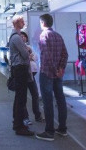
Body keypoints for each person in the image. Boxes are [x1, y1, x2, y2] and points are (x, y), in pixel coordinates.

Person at [35, 13, 68, 142]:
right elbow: (65, 54)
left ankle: (49, 131)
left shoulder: (44, 35)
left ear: (43, 23)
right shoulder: (58, 36)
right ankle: (62, 128)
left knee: (47, 102)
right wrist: (61, 69)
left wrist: (55, 70)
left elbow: (47, 56)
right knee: (60, 99)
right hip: (57, 74)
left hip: (47, 73)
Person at [8, 15, 35, 136]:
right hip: (20, 69)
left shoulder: (16, 36)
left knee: (19, 98)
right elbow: (25, 54)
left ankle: (17, 123)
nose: (24, 23)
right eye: (22, 21)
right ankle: (19, 126)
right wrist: (27, 51)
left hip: (19, 69)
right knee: (21, 98)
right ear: (16, 23)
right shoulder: (16, 38)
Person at [20, 31, 43, 125]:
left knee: (35, 94)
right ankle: (25, 117)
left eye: (24, 36)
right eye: (21, 36)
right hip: (23, 73)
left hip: (32, 73)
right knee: (23, 96)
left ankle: (37, 115)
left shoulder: (29, 47)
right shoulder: (18, 48)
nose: (23, 38)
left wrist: (31, 56)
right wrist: (28, 58)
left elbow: (36, 57)